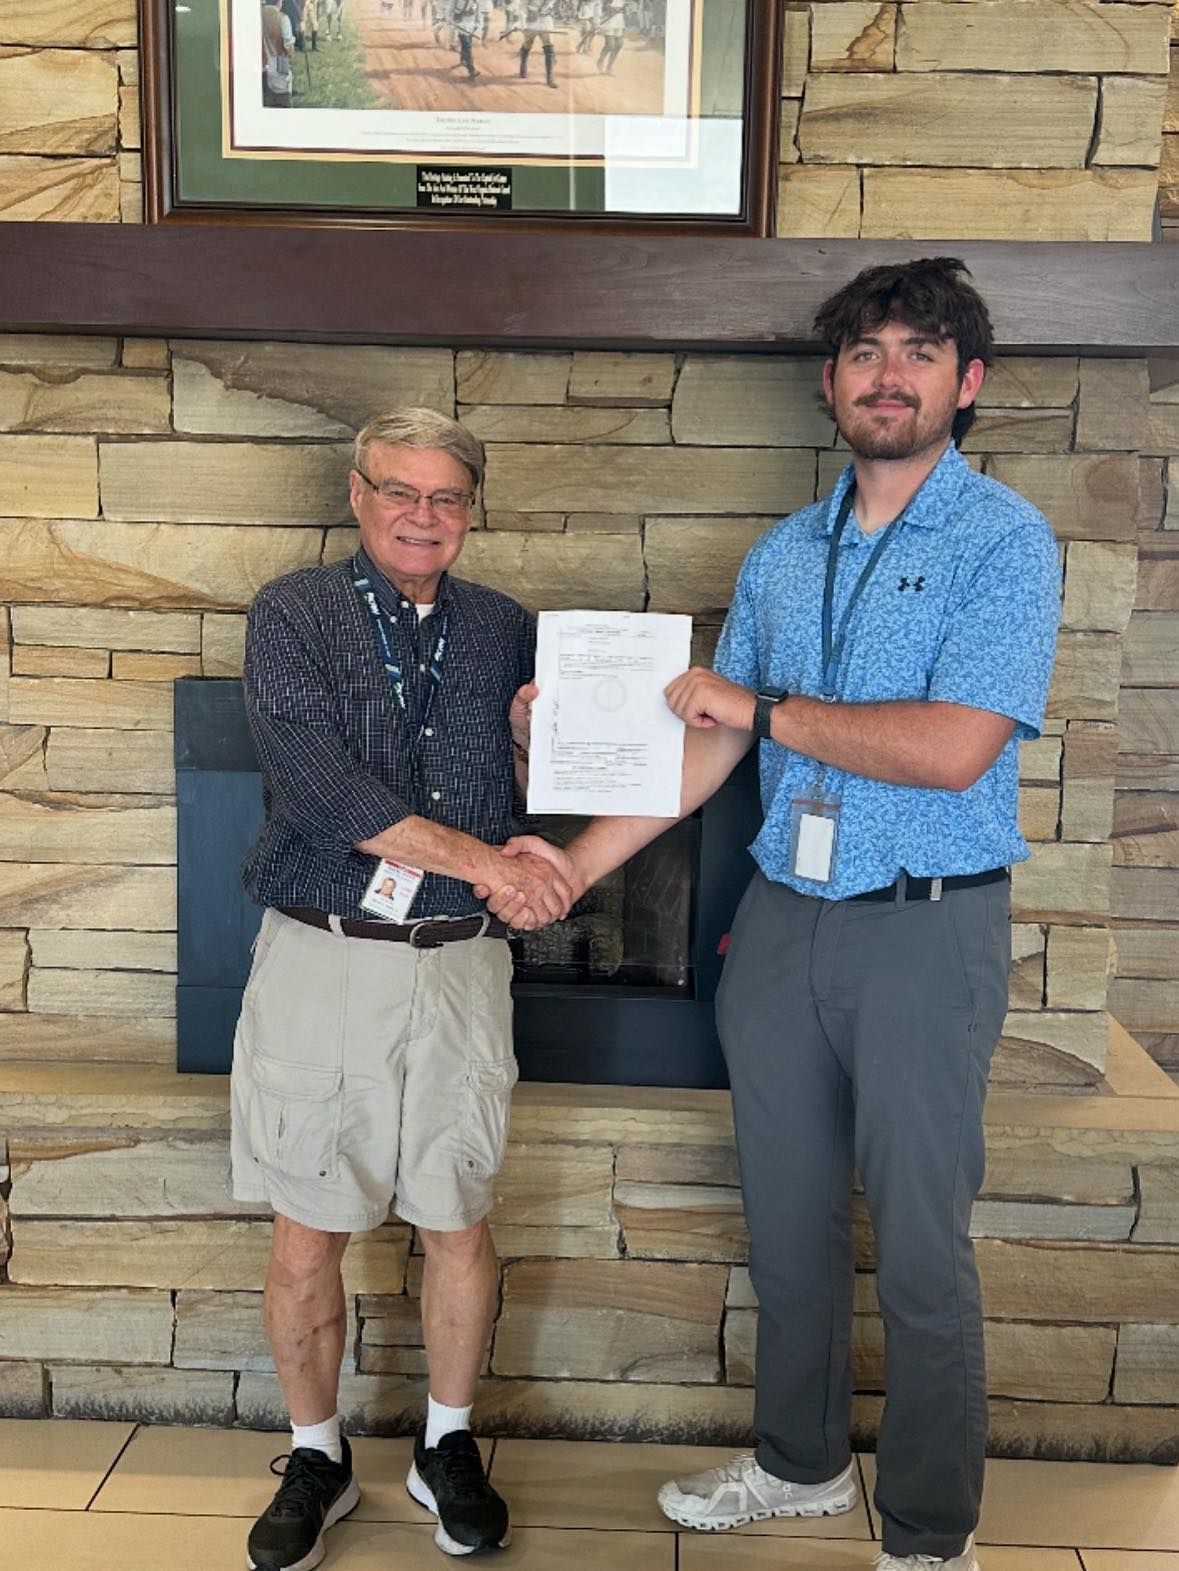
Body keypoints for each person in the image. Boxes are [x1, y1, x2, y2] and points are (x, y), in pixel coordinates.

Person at [486, 258, 1062, 1571]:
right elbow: (703, 751)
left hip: (923, 929)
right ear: (828, 379)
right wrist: (572, 855)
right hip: (784, 922)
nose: (886, 373)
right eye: (863, 349)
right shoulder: (780, 554)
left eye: (918, 351)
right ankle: (799, 1462)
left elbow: (951, 746)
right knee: (787, 1217)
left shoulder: (1001, 543)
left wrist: (748, 706)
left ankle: (925, 1533)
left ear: (962, 384)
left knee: (919, 1244)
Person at [233, 407, 570, 1571]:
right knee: (308, 1225)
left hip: (464, 965)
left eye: (448, 498)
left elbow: (530, 802)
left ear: (470, 510)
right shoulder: (294, 612)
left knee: (459, 1213)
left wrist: (538, 744)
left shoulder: (507, 628)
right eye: (401, 491)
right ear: (357, 492)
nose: (423, 516)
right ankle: (316, 1453)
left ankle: (446, 1442)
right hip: (326, 955)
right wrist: (494, 863)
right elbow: (322, 785)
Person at [261, 0, 295, 106]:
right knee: (284, 105)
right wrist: (291, 53)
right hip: (280, 68)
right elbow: (288, 46)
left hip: (263, 68)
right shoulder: (283, 18)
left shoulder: (259, 16)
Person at [519, 1, 558, 86]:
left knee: (549, 48)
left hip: (545, 21)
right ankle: (523, 64)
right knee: (527, 45)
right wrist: (523, 26)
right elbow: (522, 7)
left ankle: (549, 78)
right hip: (531, 21)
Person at [596, 0, 624, 71]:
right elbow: (605, 5)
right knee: (610, 45)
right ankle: (600, 60)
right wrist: (612, 8)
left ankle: (609, 66)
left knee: (619, 44)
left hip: (619, 20)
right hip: (609, 21)